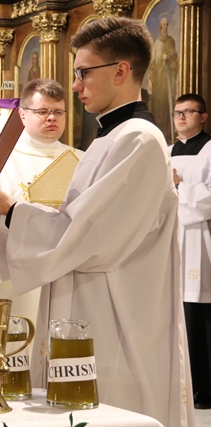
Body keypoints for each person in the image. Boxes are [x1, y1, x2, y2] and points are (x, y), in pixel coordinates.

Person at [0, 16, 194, 427]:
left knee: (114, 411)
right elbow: (76, 225)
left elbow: (85, 238)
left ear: (120, 71)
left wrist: (9, 209)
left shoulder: (137, 139)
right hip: (93, 302)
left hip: (117, 315)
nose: (76, 85)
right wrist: (4, 208)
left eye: (84, 73)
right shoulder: (109, 138)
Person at [0, 78, 83, 326]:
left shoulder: (81, 160)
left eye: (58, 112)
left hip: (66, 274)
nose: (52, 118)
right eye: (42, 111)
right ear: (22, 114)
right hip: (11, 277)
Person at [170, 93, 211, 410]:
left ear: (203, 117)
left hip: (200, 240)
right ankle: (180, 385)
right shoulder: (167, 151)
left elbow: (208, 199)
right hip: (171, 238)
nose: (181, 117)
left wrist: (179, 185)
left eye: (188, 112)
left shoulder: (210, 150)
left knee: (199, 314)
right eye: (177, 112)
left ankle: (204, 389)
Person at [148, 16, 178, 141]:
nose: (165, 27)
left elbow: (175, 59)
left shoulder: (170, 41)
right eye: (164, 24)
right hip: (158, 81)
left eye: (167, 24)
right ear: (160, 27)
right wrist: (150, 79)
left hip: (167, 80)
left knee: (166, 105)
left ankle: (167, 133)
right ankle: (157, 133)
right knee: (157, 106)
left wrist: (169, 57)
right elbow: (152, 64)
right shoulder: (156, 44)